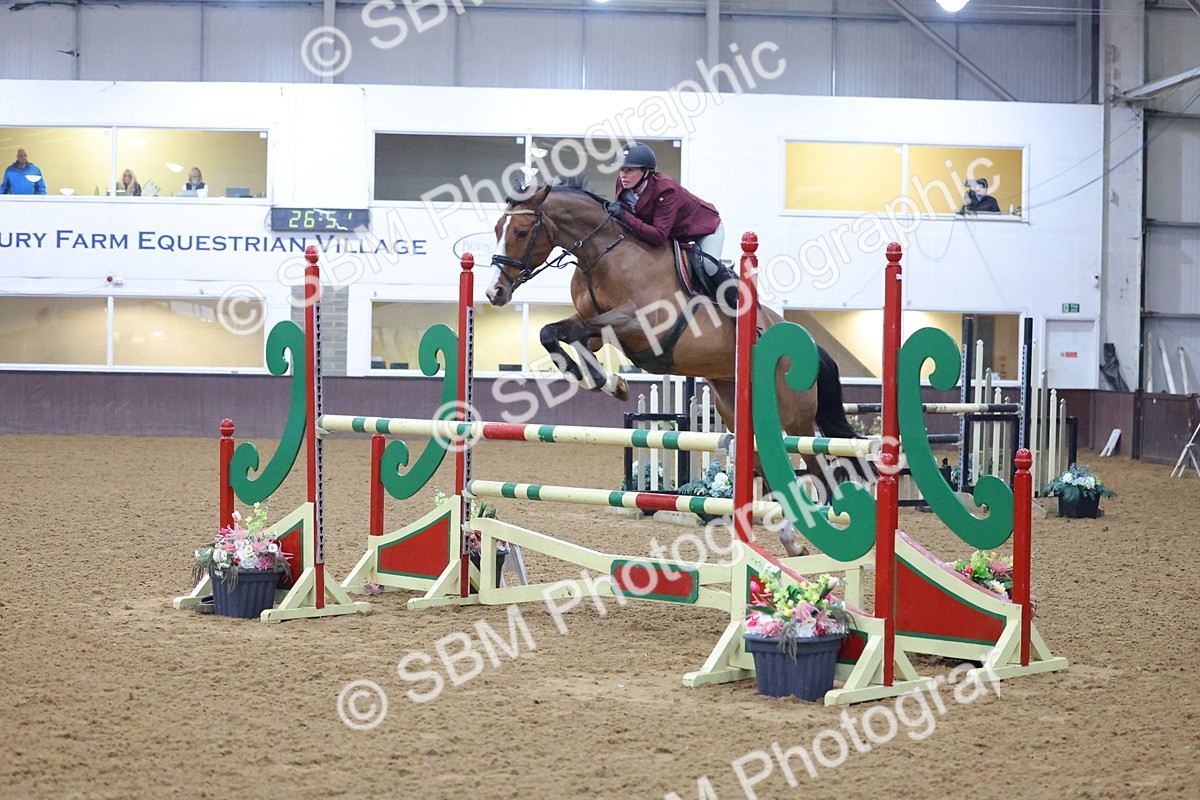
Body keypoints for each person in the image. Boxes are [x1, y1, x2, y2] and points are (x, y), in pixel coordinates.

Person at [604, 142, 739, 309]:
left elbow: (658, 236)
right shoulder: (624, 185)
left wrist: (624, 215)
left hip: (704, 229)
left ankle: (739, 303)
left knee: (708, 264)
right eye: (622, 170)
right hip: (674, 233)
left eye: (630, 170)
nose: (623, 175)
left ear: (646, 172)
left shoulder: (666, 190)